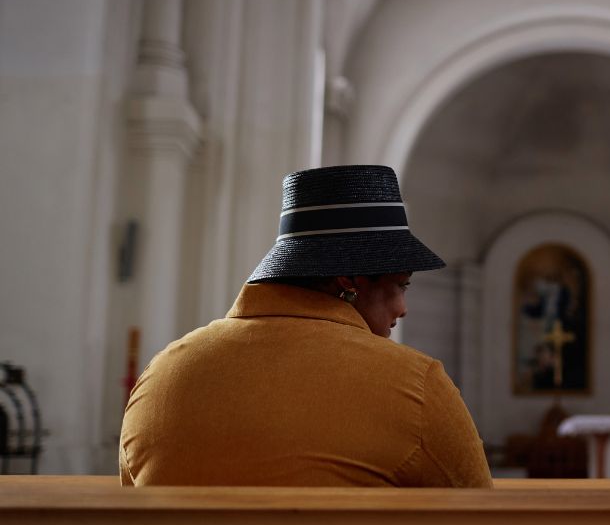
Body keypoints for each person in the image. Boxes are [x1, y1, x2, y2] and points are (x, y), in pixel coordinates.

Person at [120, 165, 492, 487]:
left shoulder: (160, 375)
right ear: (349, 280)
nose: (403, 307)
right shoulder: (416, 384)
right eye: (400, 284)